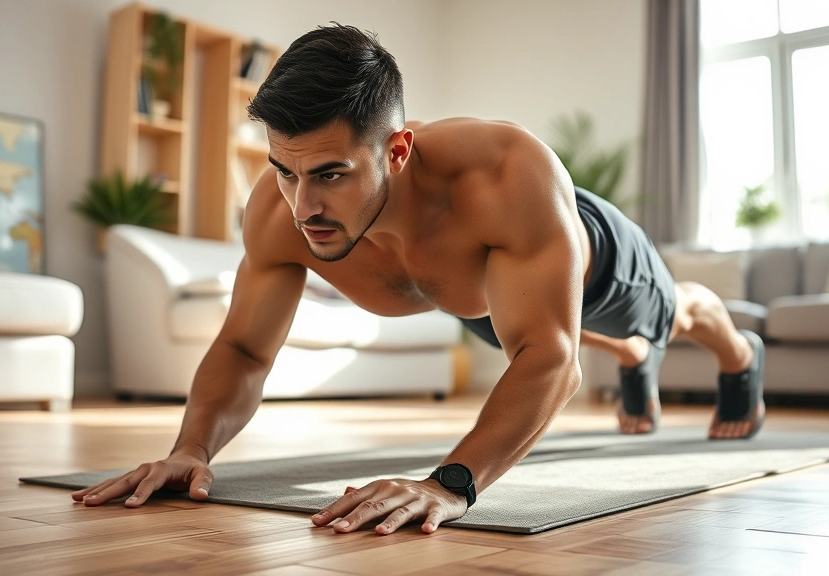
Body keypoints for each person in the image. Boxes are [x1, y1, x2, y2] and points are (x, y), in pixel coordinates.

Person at [72, 23, 765, 535]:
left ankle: (740, 356)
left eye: (330, 175)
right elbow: (246, 349)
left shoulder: (504, 175)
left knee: (672, 314)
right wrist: (190, 448)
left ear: (397, 150)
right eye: (285, 170)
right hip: (474, 297)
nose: (302, 205)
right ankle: (638, 360)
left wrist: (450, 483)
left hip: (593, 258)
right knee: (519, 325)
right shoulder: (280, 212)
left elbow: (553, 360)